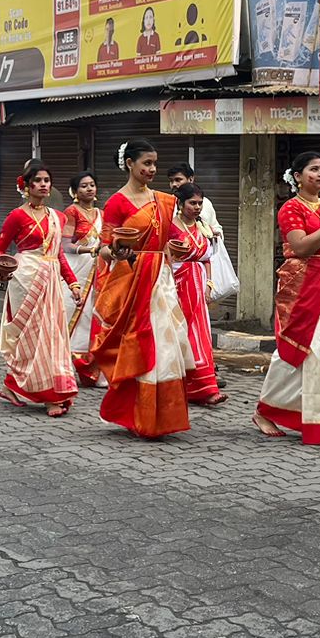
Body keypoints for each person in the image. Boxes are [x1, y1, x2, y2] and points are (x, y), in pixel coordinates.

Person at [90, 138, 195, 437]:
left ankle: (161, 416)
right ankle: (139, 414)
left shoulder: (164, 199)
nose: (152, 169)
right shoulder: (116, 202)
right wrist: (118, 251)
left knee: (166, 345)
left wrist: (178, 248)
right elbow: (104, 249)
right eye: (146, 163)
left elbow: (169, 240)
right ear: (129, 164)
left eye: (154, 164)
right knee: (139, 345)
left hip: (160, 278)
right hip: (132, 279)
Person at [253, 151, 320, 444]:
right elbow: (301, 247)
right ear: (297, 177)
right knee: (297, 349)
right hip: (305, 286)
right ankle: (265, 409)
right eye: (313, 169)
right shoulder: (290, 209)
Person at [0, 160, 82, 417]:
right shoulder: (17, 216)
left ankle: (33, 388)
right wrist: (2, 267)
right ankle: (42, 393)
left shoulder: (58, 217)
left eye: (47, 181)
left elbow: (59, 255)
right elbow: (0, 248)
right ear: (26, 186)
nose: (44, 185)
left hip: (51, 279)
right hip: (25, 278)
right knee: (28, 338)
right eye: (38, 181)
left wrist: (73, 282)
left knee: (51, 338)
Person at [170, 183, 227, 406]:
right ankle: (179, 385)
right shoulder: (171, 226)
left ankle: (206, 387)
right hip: (177, 286)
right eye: (192, 203)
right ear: (180, 203)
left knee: (200, 335)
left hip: (198, 285)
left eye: (200, 203)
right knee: (180, 335)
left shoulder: (202, 227)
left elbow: (207, 258)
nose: (196, 207)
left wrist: (209, 284)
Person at [62, 171, 104, 387]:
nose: (89, 189)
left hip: (98, 271)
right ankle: (65, 367)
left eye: (92, 185)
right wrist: (88, 249)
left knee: (92, 317)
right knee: (72, 315)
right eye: (84, 186)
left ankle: (92, 369)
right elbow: (65, 244)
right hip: (77, 269)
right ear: (75, 191)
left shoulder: (101, 213)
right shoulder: (71, 212)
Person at [166, 163, 222, 241]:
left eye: (178, 180)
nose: (174, 184)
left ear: (191, 179)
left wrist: (214, 235)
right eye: (171, 181)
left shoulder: (206, 203)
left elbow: (216, 228)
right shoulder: (166, 204)